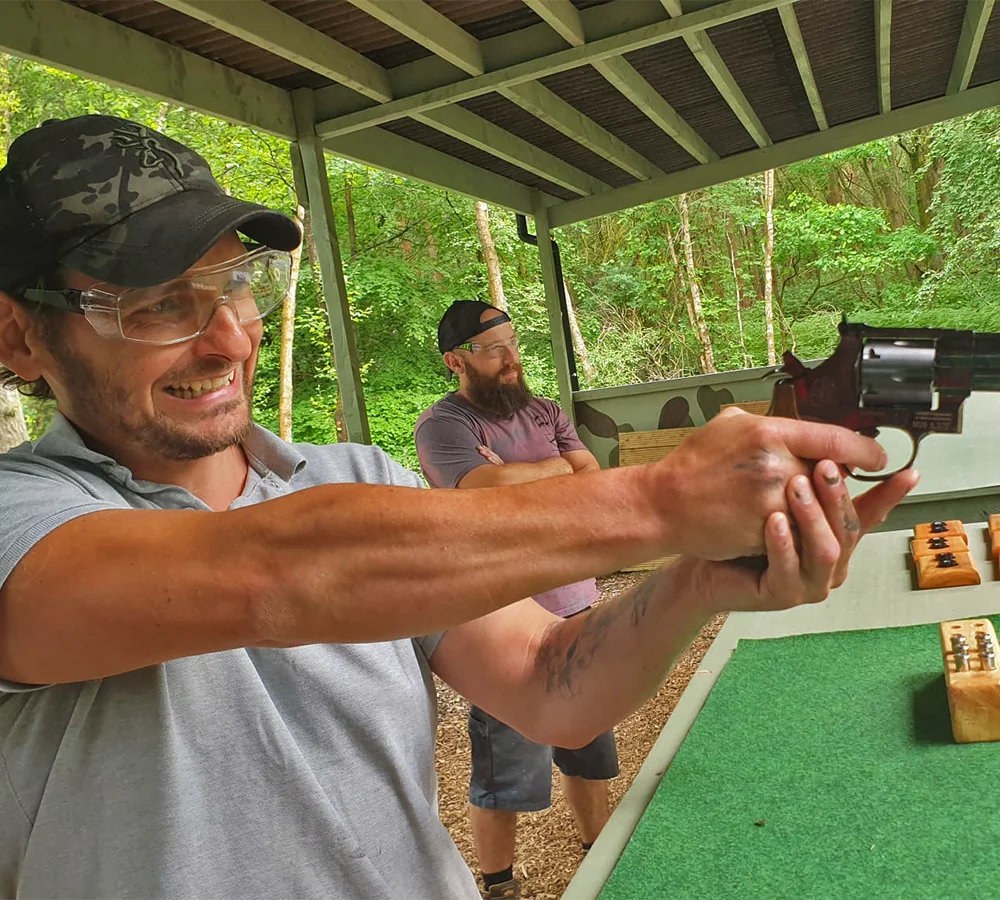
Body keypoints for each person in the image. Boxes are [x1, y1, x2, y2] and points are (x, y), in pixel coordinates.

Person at [0, 115, 917, 900]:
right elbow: (270, 575)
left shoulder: (360, 477)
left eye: (235, 283)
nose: (232, 337)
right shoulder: (20, 519)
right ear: (21, 336)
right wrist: (660, 497)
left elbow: (551, 682)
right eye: (163, 305)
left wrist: (695, 585)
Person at [414, 301, 618, 898]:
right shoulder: (444, 426)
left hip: (578, 606)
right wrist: (551, 471)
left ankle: (600, 860)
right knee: (504, 774)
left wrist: (526, 472)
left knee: (588, 748)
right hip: (506, 623)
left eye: (512, 342)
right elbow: (484, 489)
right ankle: (499, 886)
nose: (511, 359)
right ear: (457, 361)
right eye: (493, 349)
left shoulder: (546, 410)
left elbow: (592, 481)